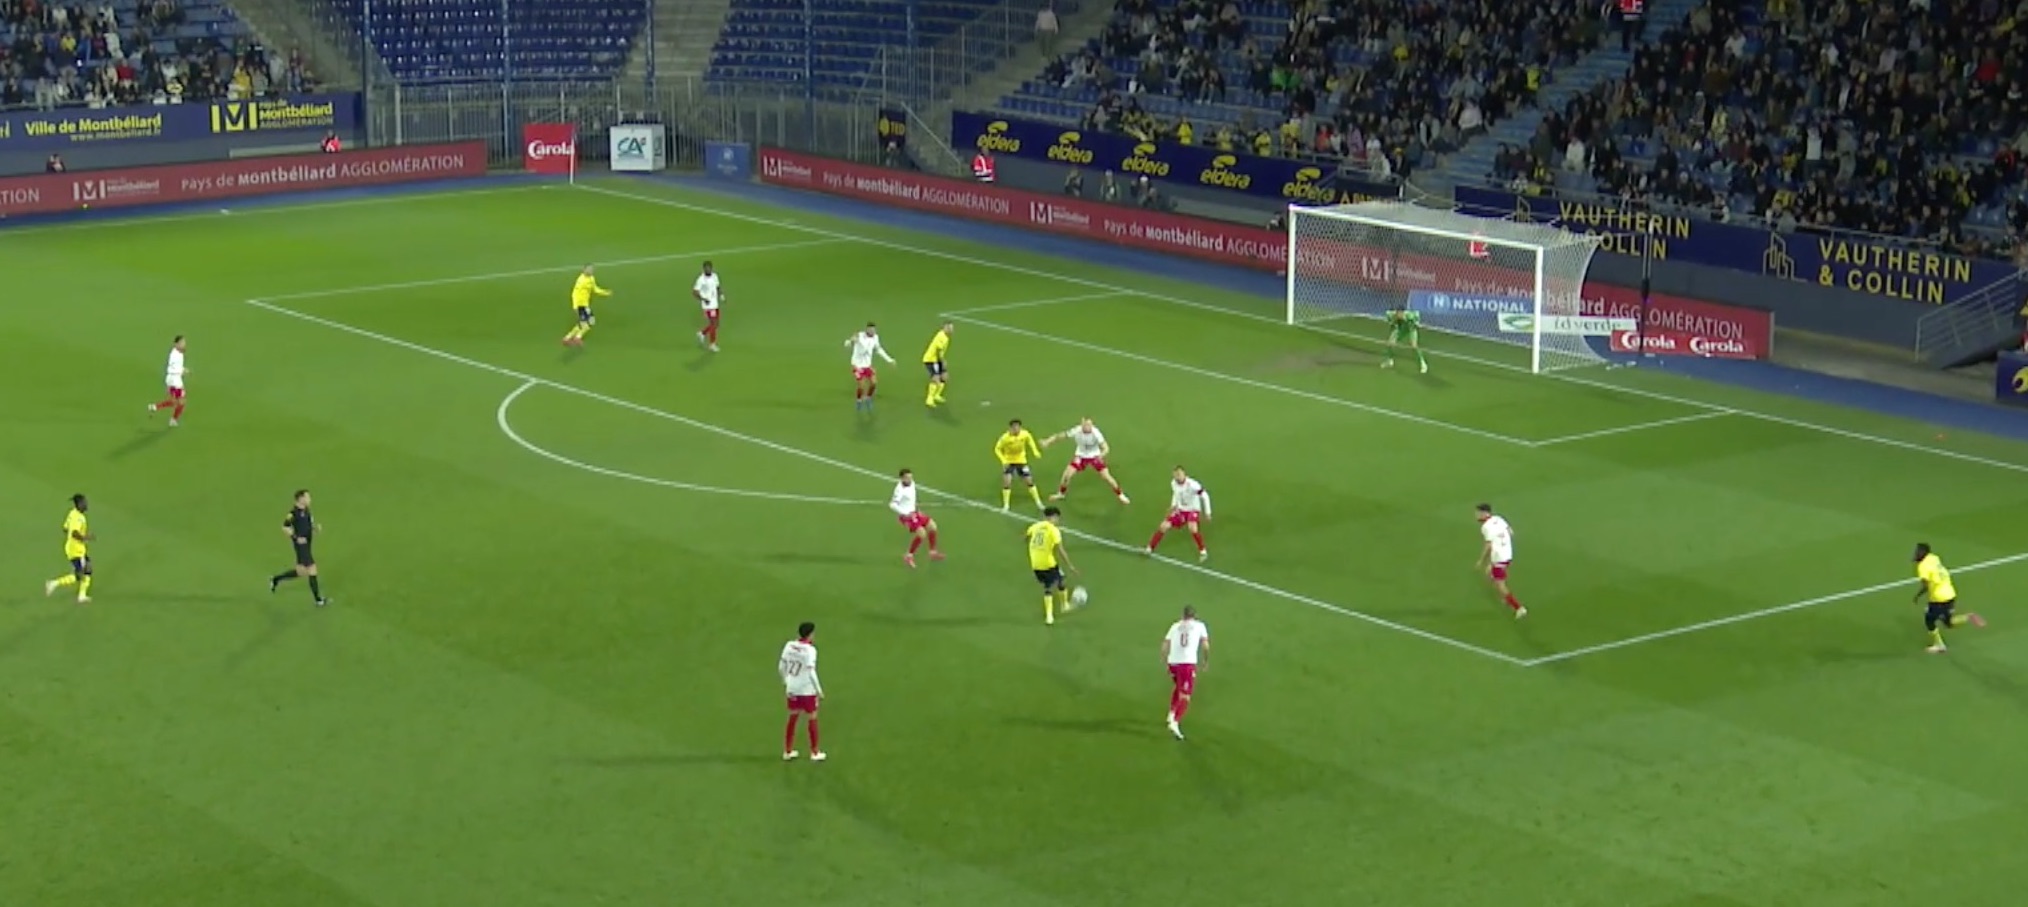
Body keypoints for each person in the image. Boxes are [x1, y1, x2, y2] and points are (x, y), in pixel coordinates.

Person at [1913, 543, 1985, 653]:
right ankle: (1968, 617)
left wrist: (1918, 596)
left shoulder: (1922, 567)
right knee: (1948, 622)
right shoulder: (1934, 557)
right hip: (1950, 593)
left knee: (1929, 620)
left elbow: (1925, 585)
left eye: (1918, 551)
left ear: (1923, 553)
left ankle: (1939, 645)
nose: (1916, 553)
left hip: (1939, 598)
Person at [1044, 418, 1129, 503]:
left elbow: (1106, 448)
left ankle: (1120, 494)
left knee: (1107, 477)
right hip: (1081, 456)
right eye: (1086, 425)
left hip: (1095, 456)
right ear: (1082, 425)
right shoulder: (1077, 430)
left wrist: (1101, 455)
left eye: (1090, 425)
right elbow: (1061, 436)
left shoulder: (1096, 433)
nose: (1088, 427)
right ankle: (1061, 494)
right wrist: (1048, 441)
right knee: (1067, 475)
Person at [270, 489, 328, 607]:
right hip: (301, 545)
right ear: (301, 499)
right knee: (312, 569)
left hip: (307, 543)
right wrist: (296, 538)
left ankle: (276, 579)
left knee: (301, 572)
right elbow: (285, 527)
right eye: (307, 497)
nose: (309, 499)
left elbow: (307, 525)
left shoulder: (306, 510)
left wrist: (315, 528)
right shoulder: (293, 513)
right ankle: (318, 600)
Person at [779, 622, 825, 762]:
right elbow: (811, 672)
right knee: (812, 717)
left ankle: (787, 751)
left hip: (792, 687)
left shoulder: (789, 645)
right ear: (810, 634)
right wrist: (819, 690)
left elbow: (781, 666)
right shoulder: (810, 650)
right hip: (806, 689)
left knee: (793, 717)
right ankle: (815, 752)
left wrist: (786, 680)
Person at [1162, 605, 1210, 739]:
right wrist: (1206, 661)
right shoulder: (1200, 626)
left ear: (1183, 615)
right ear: (1194, 616)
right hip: (1186, 664)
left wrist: (1166, 661)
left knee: (1178, 687)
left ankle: (1171, 713)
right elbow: (1205, 646)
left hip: (1173, 663)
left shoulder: (1175, 626)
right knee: (1186, 696)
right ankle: (1175, 722)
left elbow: (1165, 645)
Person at [1026, 506, 1078, 625]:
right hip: (1048, 563)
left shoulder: (1035, 526)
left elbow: (1026, 536)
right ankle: (1055, 612)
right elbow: (1061, 550)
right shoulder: (1053, 530)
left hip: (1035, 563)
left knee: (1055, 582)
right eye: (1057, 518)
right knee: (1054, 584)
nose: (1058, 520)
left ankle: (1059, 609)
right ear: (1053, 517)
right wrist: (1070, 566)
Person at [1147, 466, 1210, 560]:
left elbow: (1205, 496)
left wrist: (1208, 512)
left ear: (1184, 474)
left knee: (1192, 528)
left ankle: (1203, 551)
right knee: (1164, 526)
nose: (1178, 477)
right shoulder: (1173, 483)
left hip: (1193, 509)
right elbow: (1176, 494)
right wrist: (1173, 506)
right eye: (1176, 475)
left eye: (1179, 474)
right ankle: (1150, 548)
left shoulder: (1192, 484)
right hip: (1181, 510)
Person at [43, 494, 93, 604]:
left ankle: (81, 595)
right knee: (79, 575)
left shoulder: (72, 513)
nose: (86, 504)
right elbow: (74, 533)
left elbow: (65, 528)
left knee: (87, 569)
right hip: (76, 550)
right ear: (79, 504)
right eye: (84, 502)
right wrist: (85, 537)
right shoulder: (78, 517)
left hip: (73, 547)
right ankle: (53, 583)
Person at [1475, 504, 1524, 618]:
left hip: (1499, 558)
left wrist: (1481, 560)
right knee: (1489, 572)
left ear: (1484, 513)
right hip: (1508, 553)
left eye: (1478, 513)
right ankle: (1505, 597)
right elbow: (1511, 532)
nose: (1476, 515)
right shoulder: (1498, 518)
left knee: (1500, 584)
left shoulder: (1486, 527)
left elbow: (1488, 545)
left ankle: (1518, 608)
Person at [890, 468, 943, 568]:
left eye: (910, 477)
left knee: (932, 526)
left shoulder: (912, 483)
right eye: (907, 478)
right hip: (906, 516)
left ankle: (932, 553)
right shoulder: (899, 490)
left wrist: (917, 509)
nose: (909, 479)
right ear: (902, 478)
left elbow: (913, 497)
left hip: (915, 512)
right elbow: (892, 504)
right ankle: (909, 556)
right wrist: (905, 513)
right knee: (922, 534)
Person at [994, 419, 1046, 511]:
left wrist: (1035, 451)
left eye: (1018, 427)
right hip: (1009, 461)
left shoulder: (1025, 434)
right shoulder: (1005, 438)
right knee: (1007, 482)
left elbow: (1030, 441)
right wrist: (1003, 460)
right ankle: (1006, 505)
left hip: (1021, 461)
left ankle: (1038, 502)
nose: (1016, 429)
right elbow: (997, 449)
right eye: (1014, 427)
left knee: (1029, 481)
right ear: (1010, 428)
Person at [845, 322, 896, 411]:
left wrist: (889, 360)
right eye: (870, 330)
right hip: (857, 366)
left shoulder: (875, 338)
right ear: (867, 329)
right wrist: (850, 341)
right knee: (861, 386)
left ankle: (868, 398)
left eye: (873, 330)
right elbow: (848, 343)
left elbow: (878, 349)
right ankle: (859, 400)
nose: (872, 331)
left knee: (874, 383)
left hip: (867, 365)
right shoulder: (859, 336)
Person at [561, 265, 611, 347]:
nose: (591, 271)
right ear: (584, 270)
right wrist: (575, 306)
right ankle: (576, 337)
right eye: (589, 270)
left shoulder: (591, 278)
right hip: (580, 305)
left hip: (585, 305)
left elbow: (595, 289)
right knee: (589, 322)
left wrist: (605, 293)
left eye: (591, 270)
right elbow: (574, 294)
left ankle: (568, 338)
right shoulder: (581, 281)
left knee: (585, 322)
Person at [146, 335, 189, 426]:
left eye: (184, 342)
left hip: (174, 379)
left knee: (175, 401)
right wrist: (183, 371)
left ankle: (155, 407)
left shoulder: (179, 353)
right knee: (181, 401)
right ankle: (172, 419)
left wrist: (182, 369)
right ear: (176, 344)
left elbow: (177, 367)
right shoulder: (174, 355)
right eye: (181, 343)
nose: (184, 344)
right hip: (174, 381)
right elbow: (173, 368)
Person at [1382, 305, 1428, 373]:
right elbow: (1392, 323)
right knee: (1390, 343)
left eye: (1400, 313)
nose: (1399, 315)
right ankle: (1389, 361)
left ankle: (1423, 364)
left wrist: (1415, 323)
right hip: (1401, 329)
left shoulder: (1409, 316)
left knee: (1414, 346)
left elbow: (1417, 316)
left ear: (1403, 312)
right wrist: (1394, 332)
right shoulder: (1391, 315)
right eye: (1398, 313)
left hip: (1411, 329)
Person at [921, 321, 953, 407]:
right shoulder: (941, 336)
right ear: (944, 328)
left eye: (952, 328)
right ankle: (929, 399)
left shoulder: (946, 337)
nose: (951, 330)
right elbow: (938, 351)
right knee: (936, 378)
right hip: (931, 360)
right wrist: (942, 361)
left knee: (944, 377)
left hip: (937, 360)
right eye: (949, 328)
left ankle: (937, 395)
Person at [693, 260, 722, 351]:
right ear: (703, 269)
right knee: (713, 323)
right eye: (706, 268)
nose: (708, 269)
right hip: (708, 306)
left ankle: (702, 333)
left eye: (709, 268)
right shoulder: (701, 279)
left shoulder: (715, 276)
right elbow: (695, 292)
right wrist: (703, 299)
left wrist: (721, 295)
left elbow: (717, 286)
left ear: (711, 268)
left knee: (716, 324)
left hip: (715, 304)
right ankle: (712, 344)